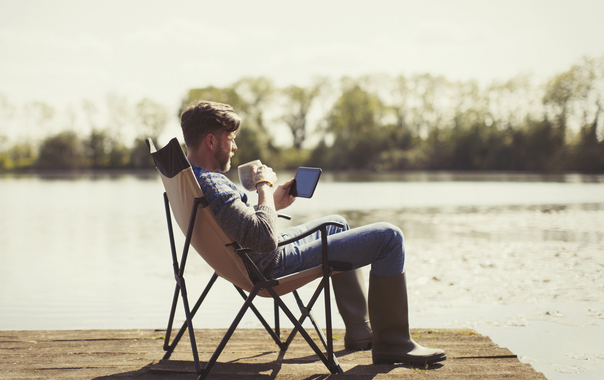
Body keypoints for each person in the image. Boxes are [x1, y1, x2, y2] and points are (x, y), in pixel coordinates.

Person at [180, 99, 446, 365]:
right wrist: (263, 186)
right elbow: (262, 238)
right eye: (231, 138)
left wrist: (272, 202)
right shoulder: (214, 183)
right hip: (269, 265)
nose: (235, 146)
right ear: (212, 142)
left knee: (336, 224)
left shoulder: (192, 177)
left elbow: (240, 225)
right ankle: (393, 344)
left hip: (249, 260)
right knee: (390, 237)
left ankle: (360, 331)